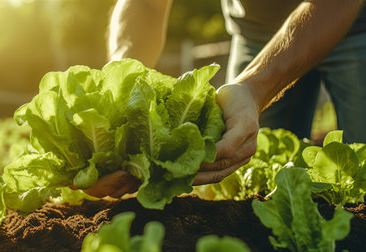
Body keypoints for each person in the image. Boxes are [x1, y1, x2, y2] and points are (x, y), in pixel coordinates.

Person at [82, 0, 366, 198]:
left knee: (360, 172)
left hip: (355, 24)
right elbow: (147, 3)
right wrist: (122, 86)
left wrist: (255, 87)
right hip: (256, 32)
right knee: (252, 178)